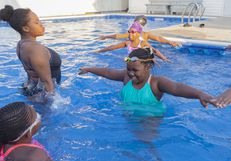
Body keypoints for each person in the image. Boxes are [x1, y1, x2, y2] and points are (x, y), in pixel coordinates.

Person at [0, 102, 95, 161]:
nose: (38, 116)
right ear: (28, 133)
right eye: (35, 115)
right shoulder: (32, 155)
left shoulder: (6, 138)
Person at [79, 48, 213, 108]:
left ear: (148, 67)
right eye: (128, 69)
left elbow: (177, 87)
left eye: (135, 70)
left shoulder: (156, 83)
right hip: (128, 118)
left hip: (148, 123)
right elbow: (108, 72)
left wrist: (200, 94)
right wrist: (89, 69)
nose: (131, 73)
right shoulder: (126, 77)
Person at [0, 5, 61, 96]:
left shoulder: (21, 45)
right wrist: (55, 105)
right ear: (25, 28)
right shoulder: (36, 50)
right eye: (36, 22)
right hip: (41, 95)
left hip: (30, 88)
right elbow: (47, 83)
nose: (41, 24)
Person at [95, 21, 171, 63]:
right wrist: (99, 51)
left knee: (146, 59)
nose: (130, 33)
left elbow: (154, 51)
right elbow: (112, 48)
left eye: (132, 32)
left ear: (138, 33)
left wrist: (163, 58)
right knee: (125, 59)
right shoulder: (127, 43)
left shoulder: (143, 42)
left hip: (141, 61)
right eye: (129, 31)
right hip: (131, 60)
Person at [98, 15, 180, 47]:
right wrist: (106, 36)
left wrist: (170, 42)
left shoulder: (143, 34)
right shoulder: (141, 34)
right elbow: (117, 36)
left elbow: (158, 38)